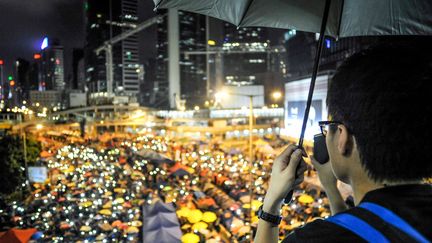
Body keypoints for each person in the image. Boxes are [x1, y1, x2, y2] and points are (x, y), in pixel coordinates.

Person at [255, 41, 432, 242]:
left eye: (327, 127)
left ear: (342, 137)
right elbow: (359, 224)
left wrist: (271, 203)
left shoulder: (317, 239)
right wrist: (331, 188)